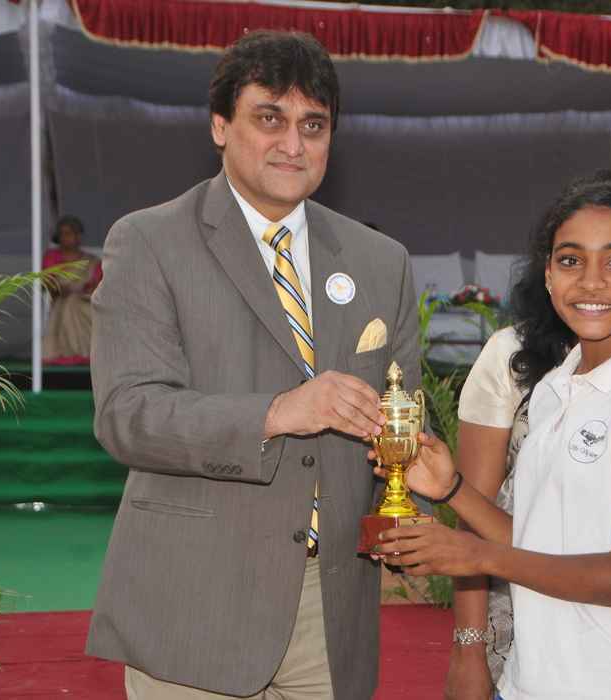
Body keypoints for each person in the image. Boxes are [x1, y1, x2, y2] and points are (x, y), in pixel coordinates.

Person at [86, 30, 420, 700]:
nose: (293, 144)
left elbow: (404, 420)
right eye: (270, 118)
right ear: (220, 126)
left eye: (313, 125)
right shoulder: (149, 241)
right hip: (194, 605)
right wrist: (278, 412)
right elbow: (128, 414)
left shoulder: (382, 262)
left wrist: (417, 485)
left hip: (332, 610)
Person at [375, 171, 611, 699]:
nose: (592, 282)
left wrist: (475, 557)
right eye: (571, 260)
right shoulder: (556, 388)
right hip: (528, 683)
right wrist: (452, 488)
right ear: (549, 276)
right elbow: (539, 542)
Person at [41, 215, 101, 363]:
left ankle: (83, 353)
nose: (64, 237)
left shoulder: (92, 261)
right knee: (69, 303)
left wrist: (82, 291)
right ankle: (74, 354)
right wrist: (61, 288)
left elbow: (99, 289)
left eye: (68, 233)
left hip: (86, 303)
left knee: (74, 303)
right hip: (60, 301)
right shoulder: (52, 257)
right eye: (61, 234)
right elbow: (46, 284)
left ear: (78, 236)